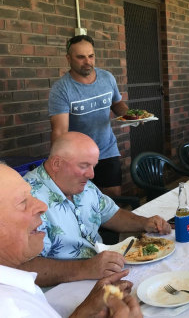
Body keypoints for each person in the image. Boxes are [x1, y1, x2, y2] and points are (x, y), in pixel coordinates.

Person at [20, 132, 171, 287]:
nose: (92, 174)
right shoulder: (27, 199)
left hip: (98, 271)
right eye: (84, 166)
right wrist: (86, 268)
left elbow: (112, 214)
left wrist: (145, 222)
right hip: (60, 288)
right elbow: (23, 267)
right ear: (57, 164)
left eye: (93, 166)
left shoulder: (80, 183)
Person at [0, 163, 142, 317]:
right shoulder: (11, 307)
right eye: (22, 202)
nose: (42, 206)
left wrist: (82, 312)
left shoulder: (15, 288)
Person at [48, 35, 129, 198]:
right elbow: (59, 131)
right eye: (81, 57)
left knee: (113, 194)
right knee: (83, 198)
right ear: (68, 58)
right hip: (77, 155)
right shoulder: (61, 89)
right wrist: (56, 164)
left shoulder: (107, 78)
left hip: (107, 148)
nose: (87, 61)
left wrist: (131, 115)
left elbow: (117, 104)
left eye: (91, 56)